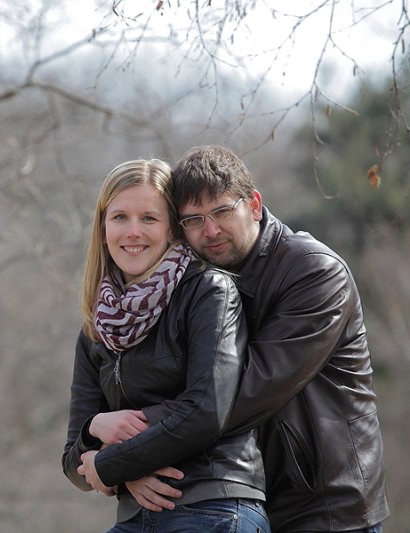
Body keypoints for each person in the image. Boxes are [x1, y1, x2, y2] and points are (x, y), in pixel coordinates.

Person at [139, 145, 389, 532]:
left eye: (222, 212)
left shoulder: (314, 272)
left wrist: (132, 436)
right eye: (194, 220)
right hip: (239, 503)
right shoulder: (190, 284)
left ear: (254, 205)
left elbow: (238, 394)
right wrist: (109, 447)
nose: (210, 230)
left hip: (324, 509)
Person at [62, 159, 270, 532]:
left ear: (172, 228)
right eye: (120, 217)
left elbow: (206, 411)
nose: (133, 232)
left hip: (213, 505)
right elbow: (73, 465)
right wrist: (96, 426)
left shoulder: (209, 292)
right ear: (104, 229)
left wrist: (115, 464)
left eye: (149, 218)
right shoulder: (96, 327)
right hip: (135, 515)